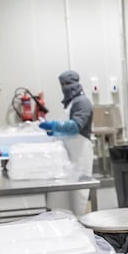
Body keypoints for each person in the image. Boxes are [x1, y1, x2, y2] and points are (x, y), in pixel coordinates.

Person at [39, 70, 94, 216]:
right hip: (70, 154)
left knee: (79, 194)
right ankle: (66, 222)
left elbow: (76, 126)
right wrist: (56, 132)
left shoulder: (83, 102)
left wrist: (55, 126)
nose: (66, 87)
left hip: (81, 154)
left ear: (77, 83)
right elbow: (69, 129)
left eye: (69, 83)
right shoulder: (71, 103)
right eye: (63, 84)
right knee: (65, 192)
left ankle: (82, 223)